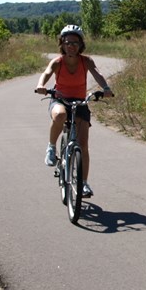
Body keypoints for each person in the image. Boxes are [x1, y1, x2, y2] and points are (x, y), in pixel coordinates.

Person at [35, 25, 113, 198]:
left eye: (75, 43)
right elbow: (46, 73)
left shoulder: (86, 61)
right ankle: (50, 148)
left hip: (80, 102)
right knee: (60, 115)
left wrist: (106, 87)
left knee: (83, 144)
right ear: (62, 43)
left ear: (80, 45)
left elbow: (97, 74)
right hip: (59, 99)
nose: (71, 46)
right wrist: (41, 86)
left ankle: (83, 183)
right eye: (68, 42)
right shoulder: (58, 62)